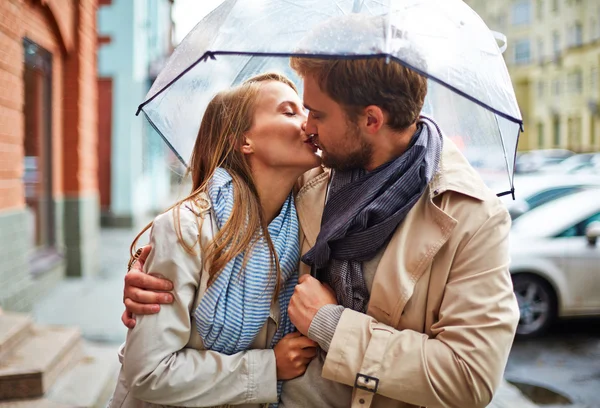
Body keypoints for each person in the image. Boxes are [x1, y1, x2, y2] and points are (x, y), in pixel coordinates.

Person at [123, 21, 519, 408]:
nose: (307, 127)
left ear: (371, 120)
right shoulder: (307, 175)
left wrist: (331, 323)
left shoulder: (473, 219)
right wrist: (156, 281)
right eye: (297, 111)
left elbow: (470, 378)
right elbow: (223, 236)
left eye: (317, 113)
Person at [109, 72, 323, 408]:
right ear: (244, 141)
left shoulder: (309, 224)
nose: (308, 124)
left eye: (307, 112)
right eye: (289, 111)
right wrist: (268, 369)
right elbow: (148, 371)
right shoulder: (185, 229)